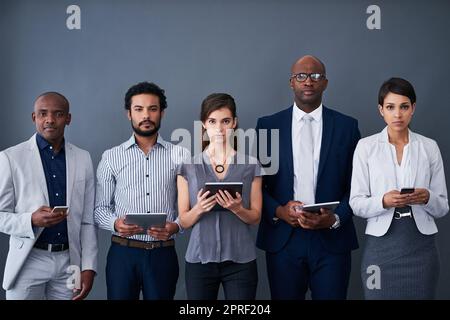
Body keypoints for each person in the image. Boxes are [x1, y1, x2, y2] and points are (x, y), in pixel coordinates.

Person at [255, 55, 360, 300]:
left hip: (332, 240)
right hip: (283, 239)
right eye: (301, 76)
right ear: (291, 82)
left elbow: (358, 186)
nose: (308, 81)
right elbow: (258, 184)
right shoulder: (268, 126)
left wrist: (334, 218)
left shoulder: (347, 127)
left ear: (325, 83)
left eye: (316, 76)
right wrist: (280, 211)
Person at [350, 77, 449, 299]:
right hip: (379, 251)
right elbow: (356, 203)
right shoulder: (365, 147)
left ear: (413, 108)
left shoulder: (429, 147)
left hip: (422, 251)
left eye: (404, 106)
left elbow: (442, 207)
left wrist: (427, 198)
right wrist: (383, 201)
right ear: (380, 110)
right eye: (390, 107)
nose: (397, 114)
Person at [94, 81, 189, 300]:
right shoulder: (111, 157)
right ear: (129, 114)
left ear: (162, 113)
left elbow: (188, 207)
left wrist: (175, 226)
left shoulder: (180, 155)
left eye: (152, 109)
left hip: (162, 254)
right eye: (138, 109)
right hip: (122, 253)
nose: (146, 115)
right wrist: (116, 224)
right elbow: (99, 209)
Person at [0, 92, 98, 300]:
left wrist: (89, 266)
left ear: (68, 118)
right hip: (28, 259)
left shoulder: (83, 158)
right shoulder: (10, 158)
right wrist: (30, 219)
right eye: (43, 113)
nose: (50, 120)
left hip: (69, 262)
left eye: (58, 114)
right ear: (34, 117)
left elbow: (88, 221)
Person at [177, 93, 262, 300]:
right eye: (212, 121)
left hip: (241, 261)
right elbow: (184, 221)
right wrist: (200, 208)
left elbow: (256, 217)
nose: (219, 129)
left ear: (234, 123)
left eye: (225, 121)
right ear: (204, 125)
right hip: (199, 261)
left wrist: (237, 208)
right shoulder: (188, 166)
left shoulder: (251, 164)